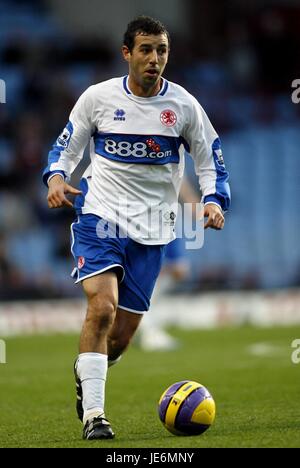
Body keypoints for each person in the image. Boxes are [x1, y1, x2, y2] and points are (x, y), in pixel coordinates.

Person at [43, 16, 230, 440]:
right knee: (103, 307)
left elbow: (210, 158)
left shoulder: (182, 106)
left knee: (120, 339)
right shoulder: (97, 98)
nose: (154, 59)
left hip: (153, 231)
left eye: (161, 50)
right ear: (127, 53)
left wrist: (214, 201)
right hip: (101, 218)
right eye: (145, 49)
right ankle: (95, 416)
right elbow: (65, 146)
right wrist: (56, 177)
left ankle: (87, 369)